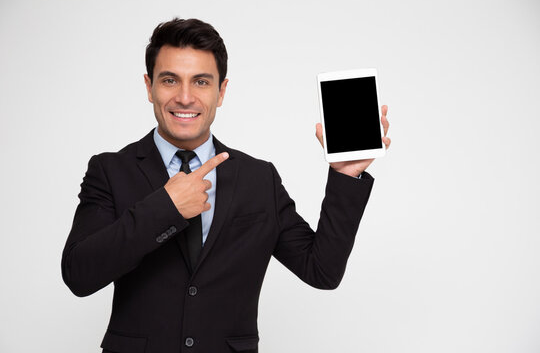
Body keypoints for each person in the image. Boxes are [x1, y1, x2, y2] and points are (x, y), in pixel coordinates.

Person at [62, 18, 390, 353]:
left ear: (221, 91)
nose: (185, 97)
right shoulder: (110, 170)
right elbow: (79, 274)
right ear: (149, 87)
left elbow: (321, 271)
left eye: (201, 82)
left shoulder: (259, 179)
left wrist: (346, 175)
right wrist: (166, 208)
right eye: (170, 80)